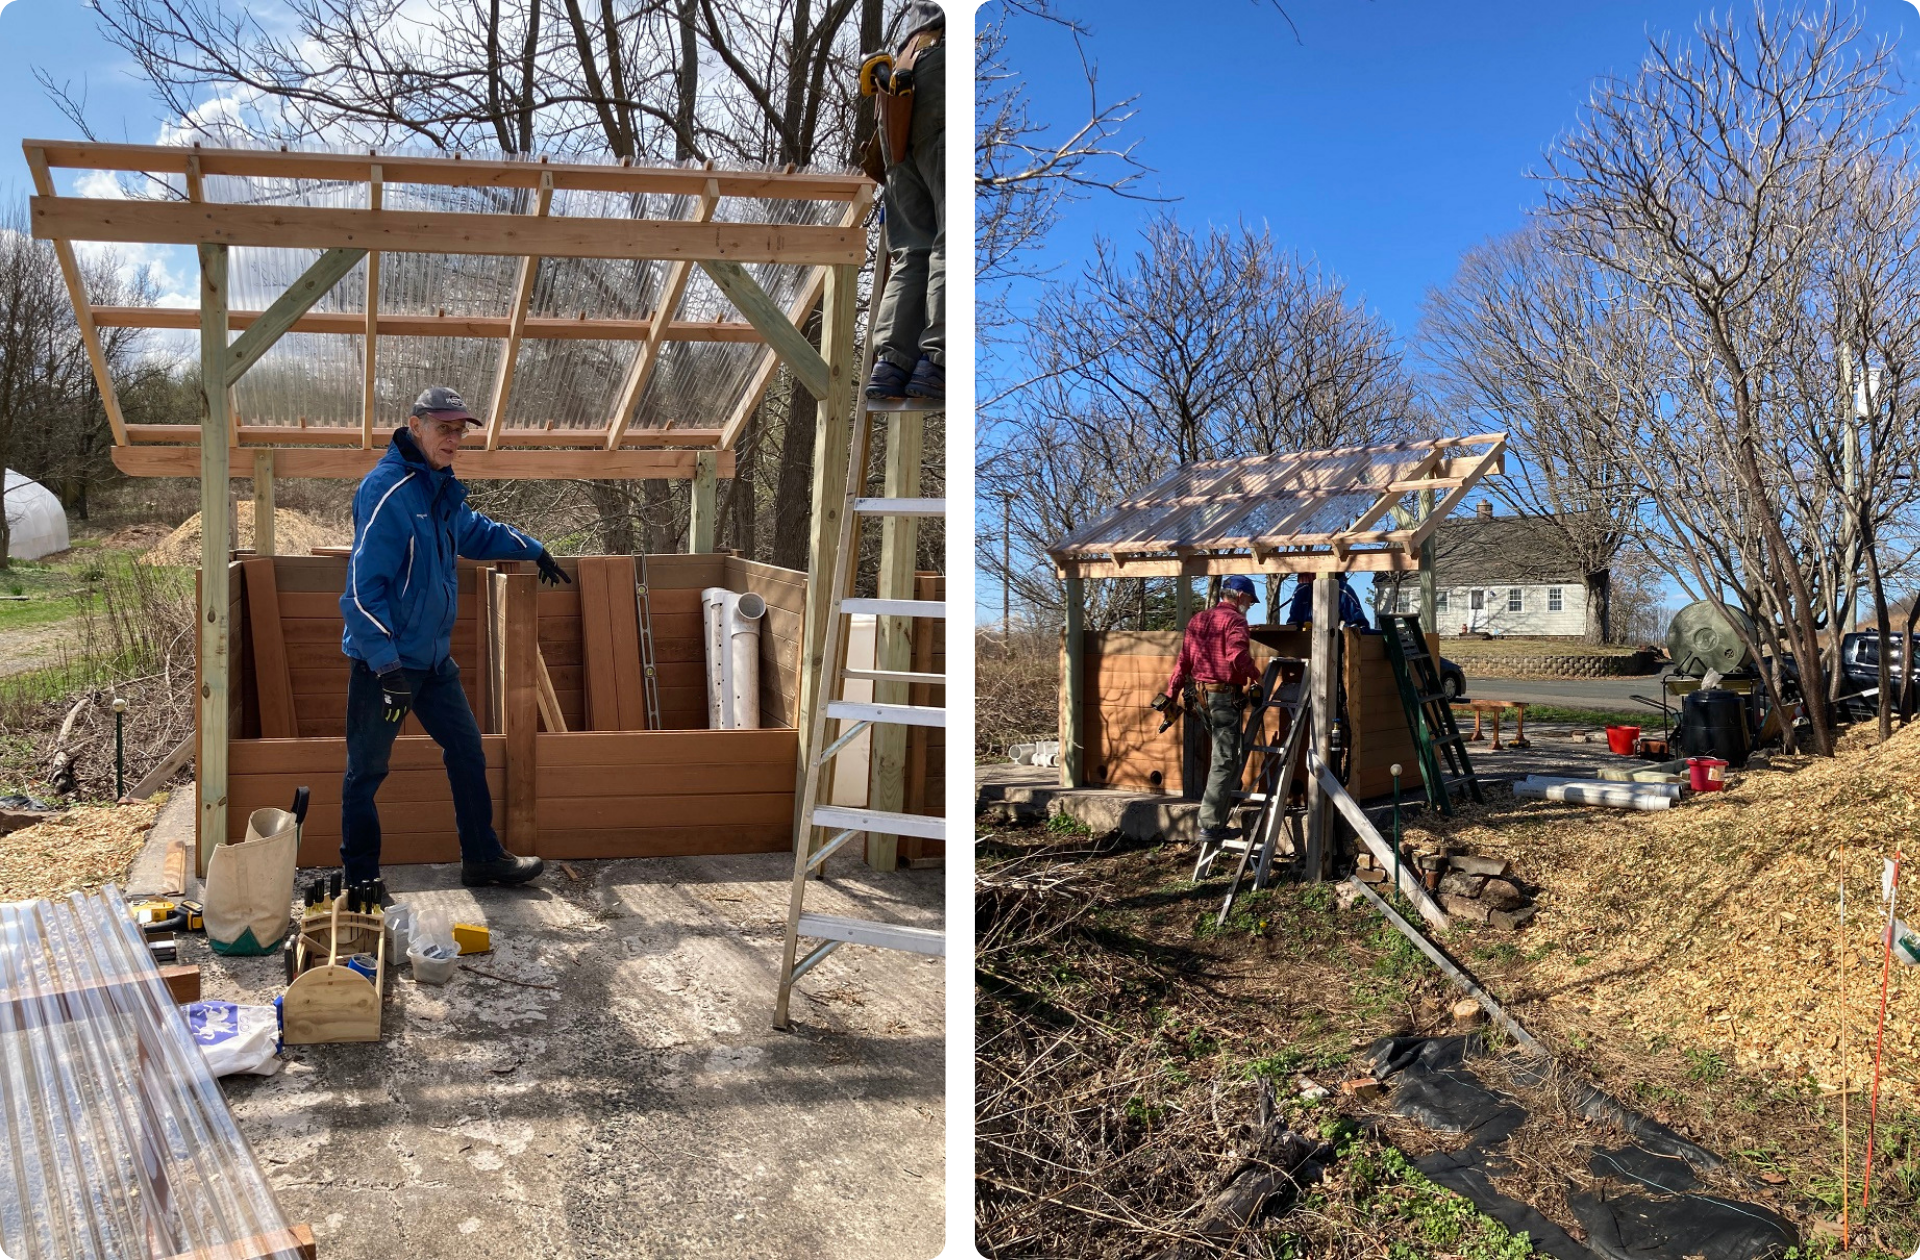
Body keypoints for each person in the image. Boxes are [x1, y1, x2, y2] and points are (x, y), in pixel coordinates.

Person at [338, 386, 574, 890]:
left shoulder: (439, 488)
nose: (454, 439)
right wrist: (386, 666)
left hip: (433, 663)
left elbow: (473, 531)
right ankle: (360, 878)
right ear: (415, 425)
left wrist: (534, 550)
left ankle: (482, 857)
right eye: (444, 428)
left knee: (467, 750)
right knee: (367, 772)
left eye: (459, 430)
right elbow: (360, 592)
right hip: (386, 666)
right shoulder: (387, 492)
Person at [862, 1, 945, 402]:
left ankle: (891, 365)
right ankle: (939, 359)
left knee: (913, 247)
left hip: (897, 87)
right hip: (935, 73)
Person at [1163, 576, 1262, 845]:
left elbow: (1183, 662)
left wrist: (1171, 694)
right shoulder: (1235, 621)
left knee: (1226, 754)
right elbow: (1237, 657)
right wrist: (1257, 675)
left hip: (1199, 697)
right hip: (1221, 697)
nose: (1250, 607)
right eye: (1250, 601)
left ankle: (1223, 800)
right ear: (1240, 596)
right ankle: (1210, 824)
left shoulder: (1198, 619)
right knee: (1225, 759)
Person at [1283, 572, 1370, 629]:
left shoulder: (1343, 591)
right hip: (1304, 647)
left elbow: (1357, 627)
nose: (1302, 581)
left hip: (1339, 650)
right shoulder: (1301, 591)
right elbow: (1292, 624)